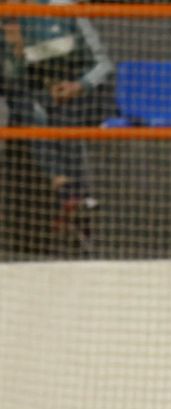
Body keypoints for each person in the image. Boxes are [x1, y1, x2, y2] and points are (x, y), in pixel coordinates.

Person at [1, 0, 114, 248]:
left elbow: (103, 64)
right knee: (29, 113)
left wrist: (78, 86)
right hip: (36, 95)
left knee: (64, 119)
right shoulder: (6, 27)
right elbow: (13, 83)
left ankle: (73, 199)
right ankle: (74, 197)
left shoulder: (63, 8)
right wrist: (15, 53)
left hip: (85, 90)